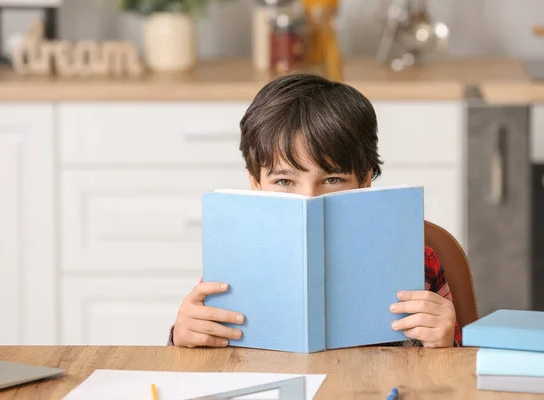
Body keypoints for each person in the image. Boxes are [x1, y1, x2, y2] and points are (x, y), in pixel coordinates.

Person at [168, 73, 461, 349]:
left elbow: (452, 367)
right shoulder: (232, 269)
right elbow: (201, 358)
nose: (309, 198)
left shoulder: (419, 264)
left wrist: (447, 342)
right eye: (284, 181)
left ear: (365, 179)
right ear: (255, 184)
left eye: (332, 180)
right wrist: (181, 336)